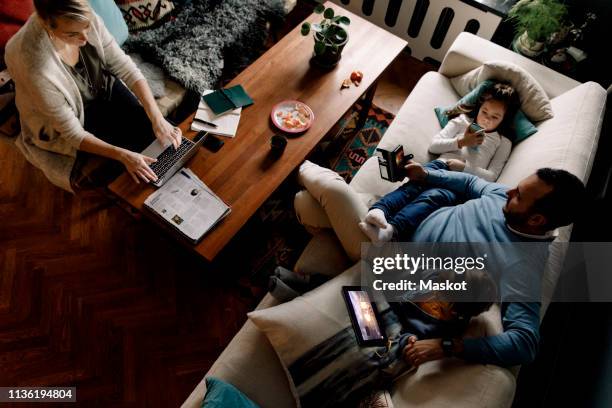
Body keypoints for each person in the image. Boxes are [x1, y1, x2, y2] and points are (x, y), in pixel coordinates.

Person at [295, 161, 586, 367]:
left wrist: (448, 347)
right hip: (399, 222)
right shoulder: (504, 199)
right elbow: (472, 183)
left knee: (330, 194)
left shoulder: (523, 266)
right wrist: (427, 175)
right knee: (308, 203)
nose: (509, 193)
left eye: (518, 196)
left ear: (537, 220)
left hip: (390, 259)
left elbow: (525, 344)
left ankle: (298, 164)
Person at [5, 0, 181, 191]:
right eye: (72, 34)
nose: (85, 38)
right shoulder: (34, 64)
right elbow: (72, 132)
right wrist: (124, 156)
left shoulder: (83, 15)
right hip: (77, 115)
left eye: (87, 27)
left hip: (102, 87)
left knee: (164, 139)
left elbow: (126, 68)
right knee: (136, 168)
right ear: (46, 24)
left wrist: (156, 118)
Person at [294, 269, 497, 408]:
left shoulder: (448, 325)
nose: (437, 293)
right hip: (378, 301)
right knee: (359, 286)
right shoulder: (429, 277)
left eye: (446, 298)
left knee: (376, 350)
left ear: (458, 311)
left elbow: (408, 337)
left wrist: (408, 340)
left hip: (385, 324)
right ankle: (304, 284)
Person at [359, 82, 519, 243]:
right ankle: (380, 210)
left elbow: (491, 177)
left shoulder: (503, 142)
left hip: (461, 186)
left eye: (495, 117)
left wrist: (464, 167)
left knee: (433, 197)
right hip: (439, 166)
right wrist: (461, 142)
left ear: (504, 119)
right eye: (484, 112)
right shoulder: (462, 121)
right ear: (479, 106)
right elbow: (434, 146)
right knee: (413, 187)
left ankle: (392, 230)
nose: (486, 119)